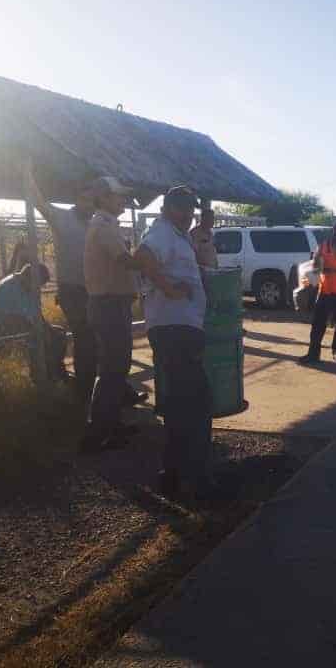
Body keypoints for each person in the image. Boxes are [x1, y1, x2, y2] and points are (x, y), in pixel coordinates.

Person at [29, 172, 147, 407]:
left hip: (96, 290)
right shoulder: (62, 218)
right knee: (86, 343)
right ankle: (86, 396)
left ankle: (111, 395)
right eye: (85, 197)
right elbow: (38, 202)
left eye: (91, 198)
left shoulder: (98, 222)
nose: (89, 202)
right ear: (76, 198)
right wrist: (28, 171)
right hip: (74, 290)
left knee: (105, 345)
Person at [135, 185, 211, 497]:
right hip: (174, 329)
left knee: (185, 401)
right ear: (169, 208)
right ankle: (188, 477)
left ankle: (175, 474)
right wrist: (168, 288)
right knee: (195, 402)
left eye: (191, 208)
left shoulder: (175, 234)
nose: (190, 214)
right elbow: (143, 257)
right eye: (185, 208)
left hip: (180, 328)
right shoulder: (163, 233)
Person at [80, 176, 146, 453]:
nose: (123, 200)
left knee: (116, 369)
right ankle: (97, 433)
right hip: (108, 305)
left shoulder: (107, 225)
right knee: (111, 370)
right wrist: (151, 257)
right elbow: (125, 261)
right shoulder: (103, 226)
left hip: (112, 305)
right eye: (118, 196)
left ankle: (110, 426)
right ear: (104, 198)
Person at [0, 262, 68, 381]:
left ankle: (54, 370)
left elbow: (36, 314)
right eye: (39, 284)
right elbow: (10, 318)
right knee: (38, 335)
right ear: (31, 278)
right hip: (4, 327)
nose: (39, 288)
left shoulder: (27, 287)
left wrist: (46, 328)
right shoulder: (8, 287)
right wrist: (39, 329)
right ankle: (41, 373)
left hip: (25, 325)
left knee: (59, 333)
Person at [299, 220, 336, 364]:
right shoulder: (323, 247)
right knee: (318, 324)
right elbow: (315, 268)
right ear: (334, 230)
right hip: (327, 291)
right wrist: (311, 284)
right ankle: (313, 354)